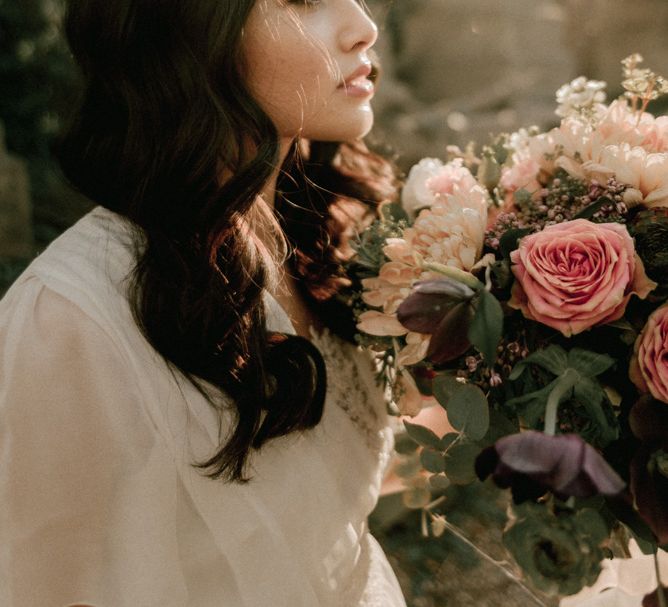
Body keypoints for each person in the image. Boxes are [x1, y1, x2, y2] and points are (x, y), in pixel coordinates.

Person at [0, 0, 408, 605]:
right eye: (303, 0)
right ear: (191, 26)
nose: (364, 27)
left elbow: (319, 490)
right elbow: (37, 583)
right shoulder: (69, 321)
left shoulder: (311, 238)